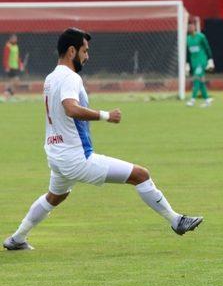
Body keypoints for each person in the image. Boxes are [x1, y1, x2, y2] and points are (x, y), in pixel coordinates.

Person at [3, 28, 203, 251]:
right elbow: (70, 109)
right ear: (72, 51)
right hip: (77, 158)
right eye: (84, 51)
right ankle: (177, 221)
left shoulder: (51, 78)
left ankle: (17, 239)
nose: (87, 57)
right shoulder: (70, 77)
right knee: (140, 175)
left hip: (56, 153)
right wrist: (106, 115)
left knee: (54, 197)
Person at [185, 19, 215, 107]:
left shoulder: (201, 37)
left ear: (194, 27)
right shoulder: (188, 39)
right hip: (194, 63)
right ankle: (207, 100)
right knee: (201, 81)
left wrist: (210, 60)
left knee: (196, 79)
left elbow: (207, 48)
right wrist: (187, 64)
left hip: (202, 61)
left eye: (191, 26)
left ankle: (192, 100)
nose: (190, 28)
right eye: (188, 26)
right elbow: (188, 52)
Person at [3, 34, 24, 101]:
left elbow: (17, 57)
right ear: (10, 39)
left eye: (16, 38)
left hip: (15, 66)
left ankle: (9, 94)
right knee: (15, 80)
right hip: (10, 66)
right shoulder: (8, 46)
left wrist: (20, 64)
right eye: (14, 38)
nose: (15, 40)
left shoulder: (16, 46)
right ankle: (7, 92)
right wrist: (6, 66)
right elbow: (5, 57)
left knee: (14, 81)